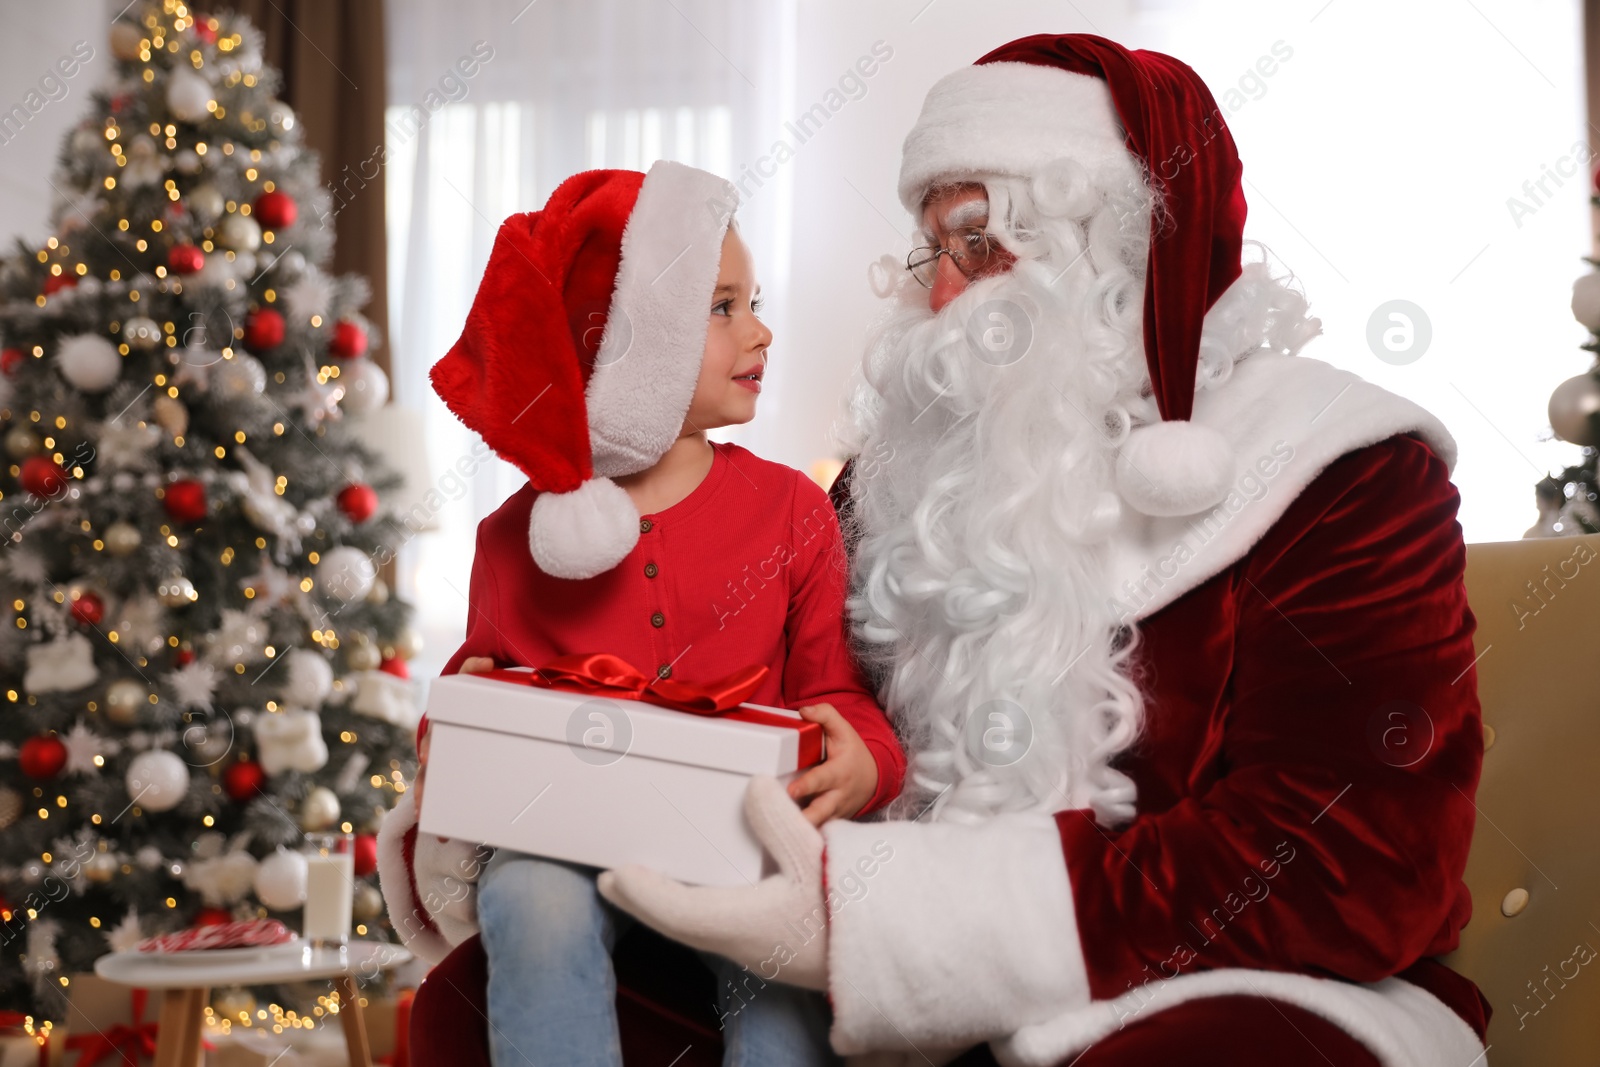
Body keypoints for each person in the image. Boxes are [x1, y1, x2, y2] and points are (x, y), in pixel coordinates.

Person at [591, 35, 1491, 1066]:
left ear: (1116, 250)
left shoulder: (1338, 463)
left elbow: (1355, 862)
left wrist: (881, 917)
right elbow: (729, 687)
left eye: (978, 247)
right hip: (887, 988)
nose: (939, 299)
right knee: (510, 986)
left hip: (1241, 986)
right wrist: (537, 742)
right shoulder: (895, 479)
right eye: (932, 253)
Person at [380, 160, 906, 1067]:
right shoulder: (514, 541)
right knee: (530, 899)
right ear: (629, 341)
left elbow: (835, 694)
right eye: (722, 307)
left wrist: (869, 764)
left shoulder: (793, 511)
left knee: (783, 995)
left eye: (754, 301)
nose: (761, 329)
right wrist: (457, 721)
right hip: (561, 837)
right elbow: (465, 710)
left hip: (744, 839)